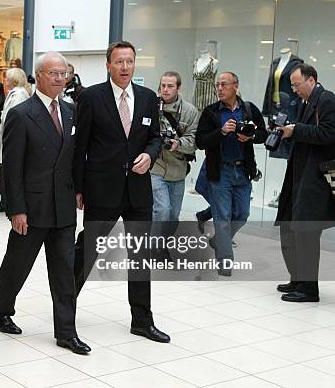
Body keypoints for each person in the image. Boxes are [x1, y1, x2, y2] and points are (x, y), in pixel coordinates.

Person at [0, 52, 91, 355]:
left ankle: (66, 332)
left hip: (62, 207)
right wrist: (16, 209)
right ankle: (0, 310)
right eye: (54, 73)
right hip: (31, 209)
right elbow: (12, 168)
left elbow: (74, 158)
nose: (60, 78)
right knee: (17, 265)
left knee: (64, 271)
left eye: (64, 73)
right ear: (39, 76)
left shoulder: (72, 111)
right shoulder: (22, 114)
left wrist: (79, 190)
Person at [74, 41, 170, 343]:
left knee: (141, 257)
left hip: (138, 191)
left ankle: (142, 320)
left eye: (129, 61)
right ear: (108, 65)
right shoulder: (91, 97)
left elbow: (155, 137)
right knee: (88, 250)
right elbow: (80, 148)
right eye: (119, 62)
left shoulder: (147, 98)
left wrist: (150, 155)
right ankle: (64, 309)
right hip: (101, 188)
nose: (125, 67)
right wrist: (77, 188)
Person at [195, 72, 267, 276]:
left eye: (224, 84)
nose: (219, 88)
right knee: (223, 217)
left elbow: (263, 134)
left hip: (243, 171)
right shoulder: (211, 112)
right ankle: (225, 263)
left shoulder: (249, 109)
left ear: (236, 86)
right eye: (218, 84)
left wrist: (250, 136)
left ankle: (218, 240)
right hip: (221, 171)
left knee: (242, 214)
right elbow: (201, 141)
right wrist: (222, 132)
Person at [275, 64, 335, 302]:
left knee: (307, 232)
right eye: (292, 85)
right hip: (300, 175)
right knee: (290, 227)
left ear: (311, 80)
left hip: (316, 179)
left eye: (296, 84)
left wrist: (296, 130)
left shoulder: (327, 101)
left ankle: (309, 288)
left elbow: (329, 134)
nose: (294, 89)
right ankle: (298, 279)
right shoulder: (305, 102)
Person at [151, 71, 199, 255]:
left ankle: (161, 243)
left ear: (178, 88)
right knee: (162, 210)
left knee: (173, 215)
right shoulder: (151, 107)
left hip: (178, 168)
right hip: (156, 167)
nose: (165, 89)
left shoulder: (190, 111)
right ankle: (155, 249)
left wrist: (178, 144)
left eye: (170, 86)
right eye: (163, 85)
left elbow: (194, 141)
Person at [0, 67, 30, 212]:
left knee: (10, 171)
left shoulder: (19, 95)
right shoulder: (14, 93)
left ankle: (9, 203)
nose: (5, 81)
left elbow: (15, 120)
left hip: (12, 140)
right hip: (7, 138)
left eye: (7, 78)